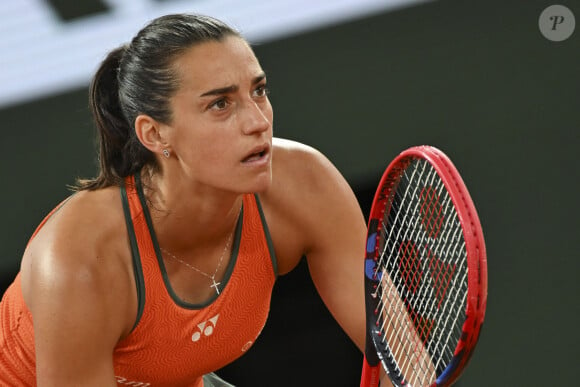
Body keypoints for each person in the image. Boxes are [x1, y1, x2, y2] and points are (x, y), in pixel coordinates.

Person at [0, 13, 376, 386]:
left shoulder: (306, 184)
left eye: (258, 91)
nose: (258, 121)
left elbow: (404, 361)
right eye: (220, 105)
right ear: (154, 134)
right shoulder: (81, 258)